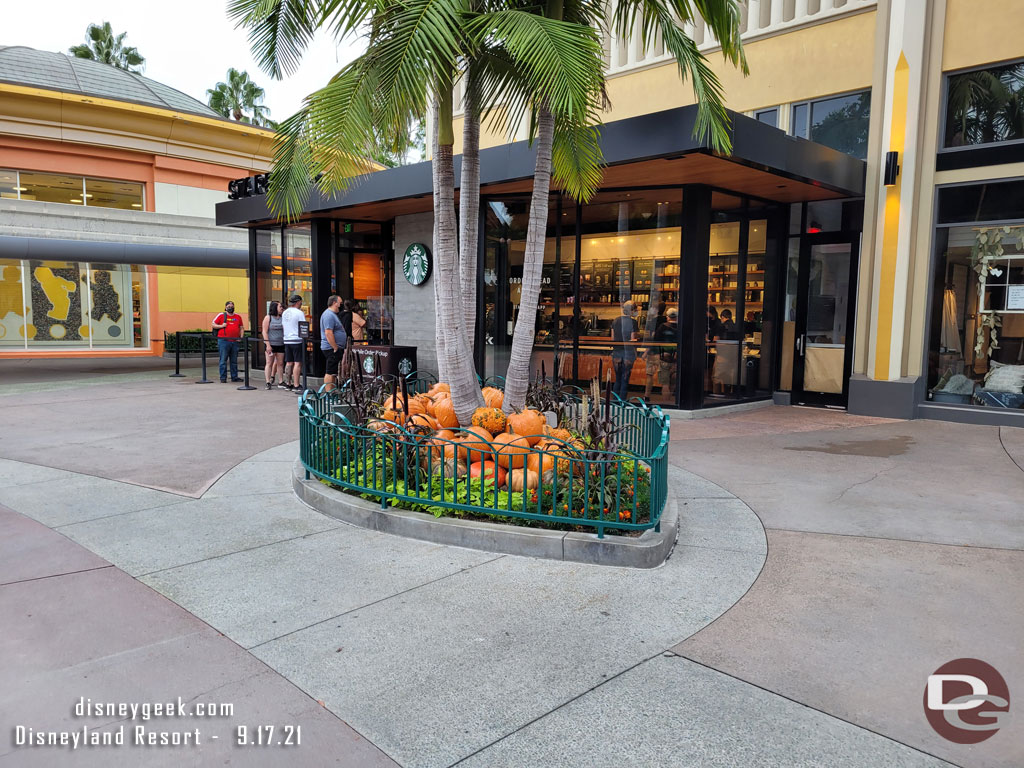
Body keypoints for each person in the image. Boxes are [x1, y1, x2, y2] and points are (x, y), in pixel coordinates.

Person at [611, 301, 638, 400]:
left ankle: (614, 401)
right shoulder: (633, 322)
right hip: (628, 353)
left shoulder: (615, 321)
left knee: (618, 379)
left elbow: (613, 339)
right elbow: (633, 339)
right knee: (625, 379)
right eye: (635, 309)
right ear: (632, 310)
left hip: (616, 352)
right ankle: (622, 402)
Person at [212, 300, 244, 383]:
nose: (231, 308)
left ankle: (234, 377)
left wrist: (241, 337)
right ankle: (223, 377)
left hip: (234, 341)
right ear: (225, 307)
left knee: (234, 361)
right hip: (223, 341)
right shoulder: (221, 315)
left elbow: (241, 327)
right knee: (223, 360)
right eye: (229, 307)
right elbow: (213, 324)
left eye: (232, 306)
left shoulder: (238, 317)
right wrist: (221, 326)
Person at [320, 295, 346, 391]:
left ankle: (332, 391)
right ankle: (328, 394)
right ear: (334, 303)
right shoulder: (328, 315)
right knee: (330, 371)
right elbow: (328, 332)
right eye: (340, 303)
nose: (341, 305)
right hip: (331, 348)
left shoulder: (332, 315)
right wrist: (335, 347)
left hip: (335, 347)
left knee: (334, 371)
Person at [281, 295, 306, 391]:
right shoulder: (299, 313)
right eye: (300, 302)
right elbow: (303, 326)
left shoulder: (285, 313)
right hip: (297, 339)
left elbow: (283, 326)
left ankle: (288, 383)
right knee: (297, 363)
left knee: (289, 362)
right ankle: (296, 384)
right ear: (298, 302)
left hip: (287, 339)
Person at [654, 307, 679, 398]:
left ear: (668, 317)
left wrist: (657, 354)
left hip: (664, 357)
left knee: (665, 384)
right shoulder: (681, 327)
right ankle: (671, 401)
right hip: (677, 358)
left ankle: (666, 402)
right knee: (673, 381)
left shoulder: (662, 326)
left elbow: (656, 341)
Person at [261, 301, 285, 390]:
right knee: (269, 363)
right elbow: (264, 331)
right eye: (280, 307)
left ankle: (281, 381)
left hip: (281, 343)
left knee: (280, 363)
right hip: (271, 343)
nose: (281, 308)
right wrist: (268, 344)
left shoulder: (282, 318)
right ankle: (268, 381)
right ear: (275, 308)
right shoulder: (268, 318)